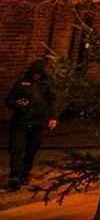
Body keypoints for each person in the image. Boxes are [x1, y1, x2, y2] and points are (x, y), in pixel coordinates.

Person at [6, 60, 57, 191]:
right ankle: (15, 176)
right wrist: (18, 103)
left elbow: (52, 101)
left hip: (37, 123)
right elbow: (9, 100)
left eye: (38, 73)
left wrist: (53, 117)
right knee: (17, 148)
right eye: (34, 73)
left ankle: (24, 173)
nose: (35, 75)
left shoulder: (46, 85)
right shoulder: (21, 83)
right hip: (20, 122)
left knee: (31, 149)